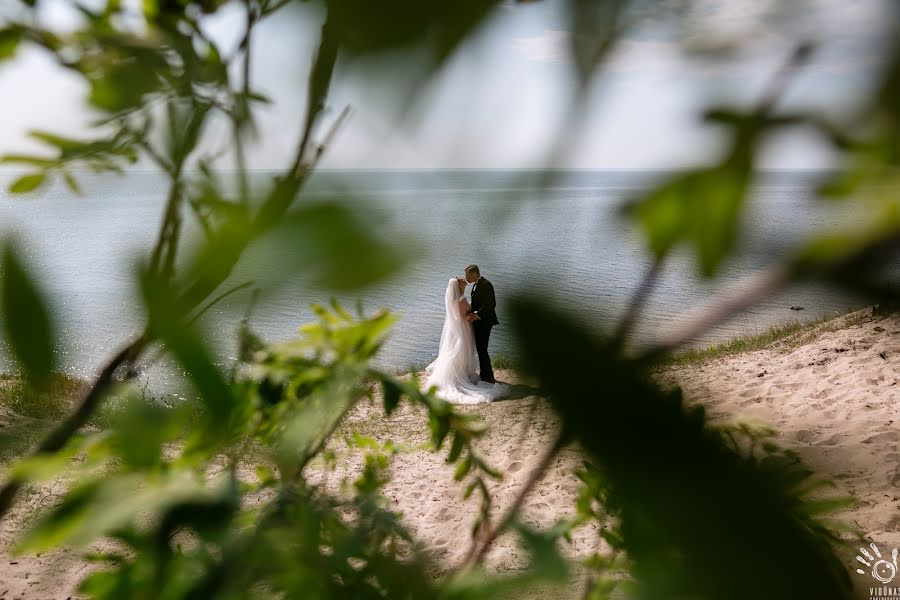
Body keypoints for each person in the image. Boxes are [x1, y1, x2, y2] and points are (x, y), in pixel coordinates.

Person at [424, 275, 506, 404]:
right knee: (462, 352)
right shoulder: (461, 299)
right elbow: (463, 317)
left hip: (458, 329)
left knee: (459, 352)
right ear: (458, 285)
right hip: (463, 330)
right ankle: (463, 376)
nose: (465, 280)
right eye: (462, 280)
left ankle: (462, 373)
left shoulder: (455, 298)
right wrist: (473, 316)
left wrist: (473, 313)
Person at [464, 264, 499, 384]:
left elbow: (491, 304)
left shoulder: (486, 284)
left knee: (482, 348)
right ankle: (485, 374)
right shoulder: (476, 285)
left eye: (467, 275)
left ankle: (488, 376)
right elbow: (477, 303)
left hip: (485, 321)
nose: (466, 278)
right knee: (480, 348)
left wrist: (477, 314)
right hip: (479, 321)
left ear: (474, 274)